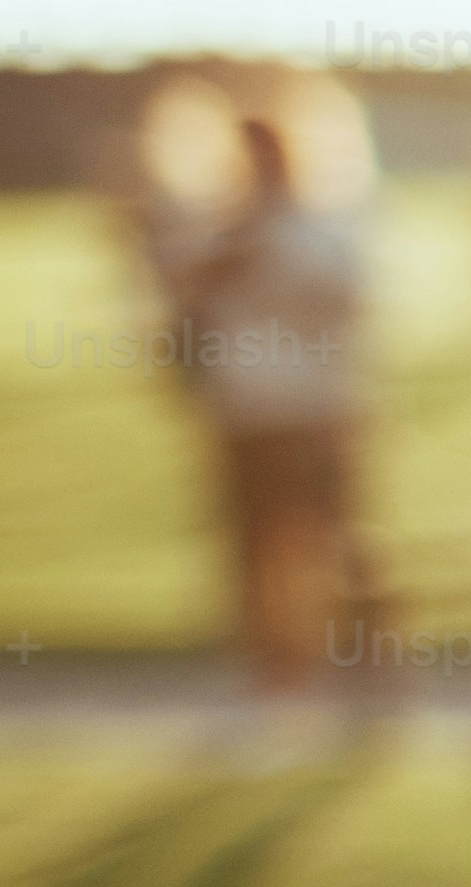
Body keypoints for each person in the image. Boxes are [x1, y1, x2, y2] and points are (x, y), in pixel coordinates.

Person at [152, 111, 373, 696]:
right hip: (244, 414)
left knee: (335, 543)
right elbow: (177, 327)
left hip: (316, 410)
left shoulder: (322, 227)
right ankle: (276, 674)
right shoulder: (210, 234)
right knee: (253, 552)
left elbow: (348, 303)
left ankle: (356, 664)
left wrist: (268, 256)